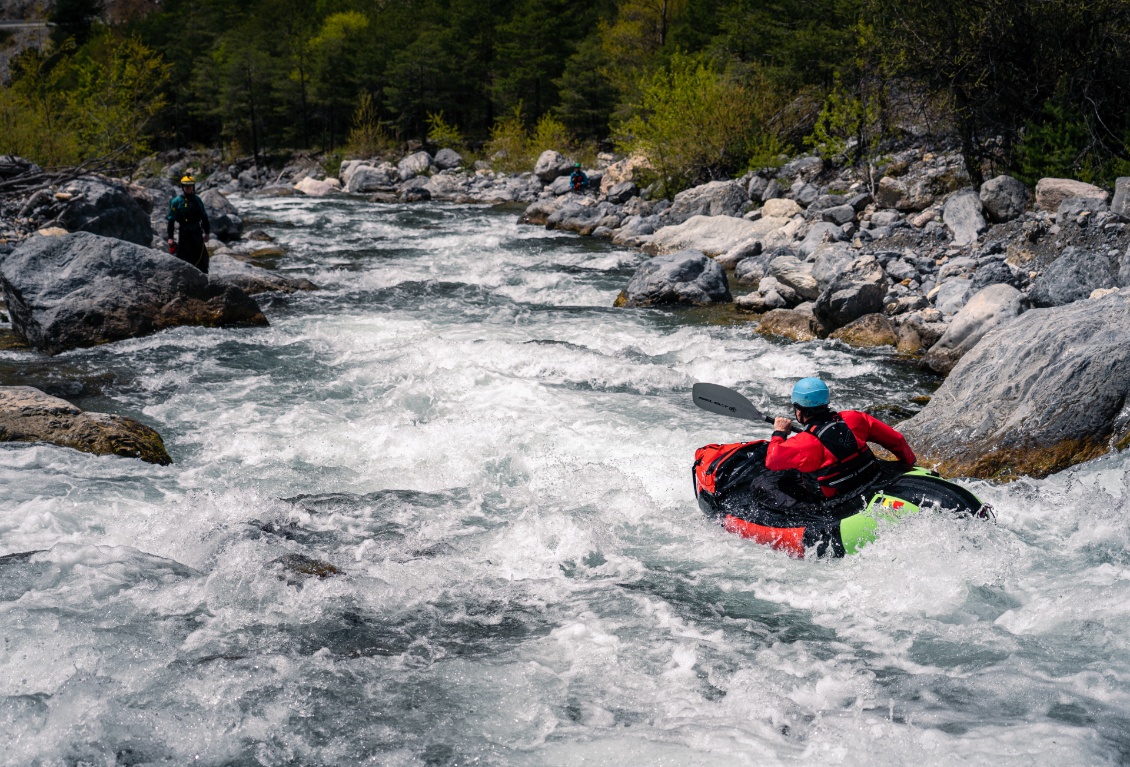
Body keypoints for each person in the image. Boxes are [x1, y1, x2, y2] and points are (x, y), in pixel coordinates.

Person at [765, 377, 917, 498]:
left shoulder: (803, 443)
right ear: (826, 402)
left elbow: (772, 460)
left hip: (838, 500)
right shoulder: (854, 418)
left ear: (799, 410)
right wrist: (908, 466)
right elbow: (897, 440)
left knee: (767, 483)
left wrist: (779, 432)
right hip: (871, 478)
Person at [167, 174, 212, 273]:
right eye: (186, 186)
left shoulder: (198, 200)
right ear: (183, 187)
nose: (188, 188)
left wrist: (207, 233)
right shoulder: (176, 201)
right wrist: (170, 237)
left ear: (193, 187)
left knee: (201, 257)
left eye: (190, 186)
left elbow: (204, 217)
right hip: (184, 233)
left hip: (197, 232)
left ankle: (204, 276)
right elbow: (171, 220)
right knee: (183, 257)